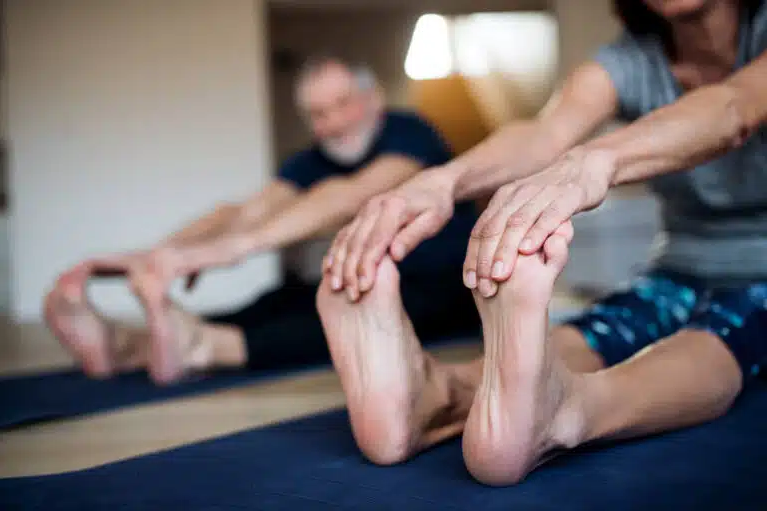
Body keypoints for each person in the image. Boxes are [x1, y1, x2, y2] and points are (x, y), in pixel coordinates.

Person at [321, 0, 767, 486]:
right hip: (677, 268)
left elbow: (733, 108)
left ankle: (570, 410)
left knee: (723, 335)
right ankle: (435, 395)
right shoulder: (629, 60)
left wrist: (595, 161)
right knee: (609, 323)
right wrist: (443, 182)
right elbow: (544, 133)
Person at [44, 56, 480, 385]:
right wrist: (159, 254)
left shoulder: (409, 133)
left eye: (342, 104)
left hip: (443, 288)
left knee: (337, 317)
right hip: (360, 279)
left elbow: (348, 196)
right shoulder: (313, 159)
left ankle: (201, 345)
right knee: (276, 301)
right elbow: (245, 211)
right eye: (318, 113)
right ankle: (125, 346)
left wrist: (234, 249)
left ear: (374, 99)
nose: (331, 123)